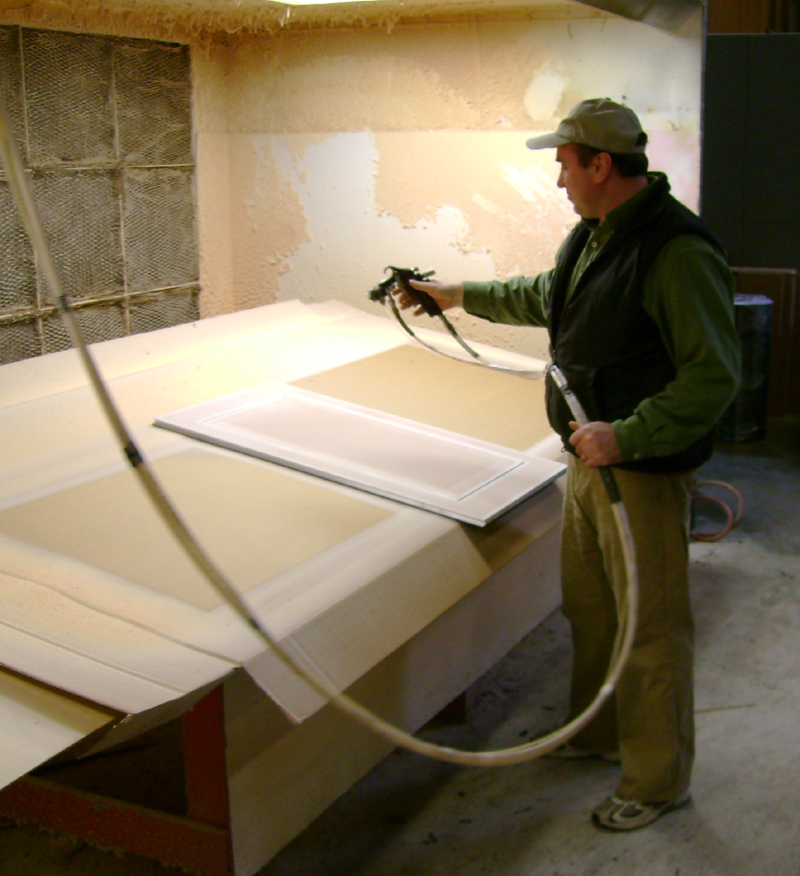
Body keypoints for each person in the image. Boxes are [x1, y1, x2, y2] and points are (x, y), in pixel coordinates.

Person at [400, 98, 741, 831]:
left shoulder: (675, 251)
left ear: (601, 165)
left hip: (640, 474)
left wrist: (628, 435)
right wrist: (457, 295)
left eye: (564, 165)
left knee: (651, 630)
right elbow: (545, 297)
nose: (559, 180)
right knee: (593, 610)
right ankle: (599, 734)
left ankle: (657, 781)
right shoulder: (593, 236)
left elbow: (715, 376)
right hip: (589, 464)